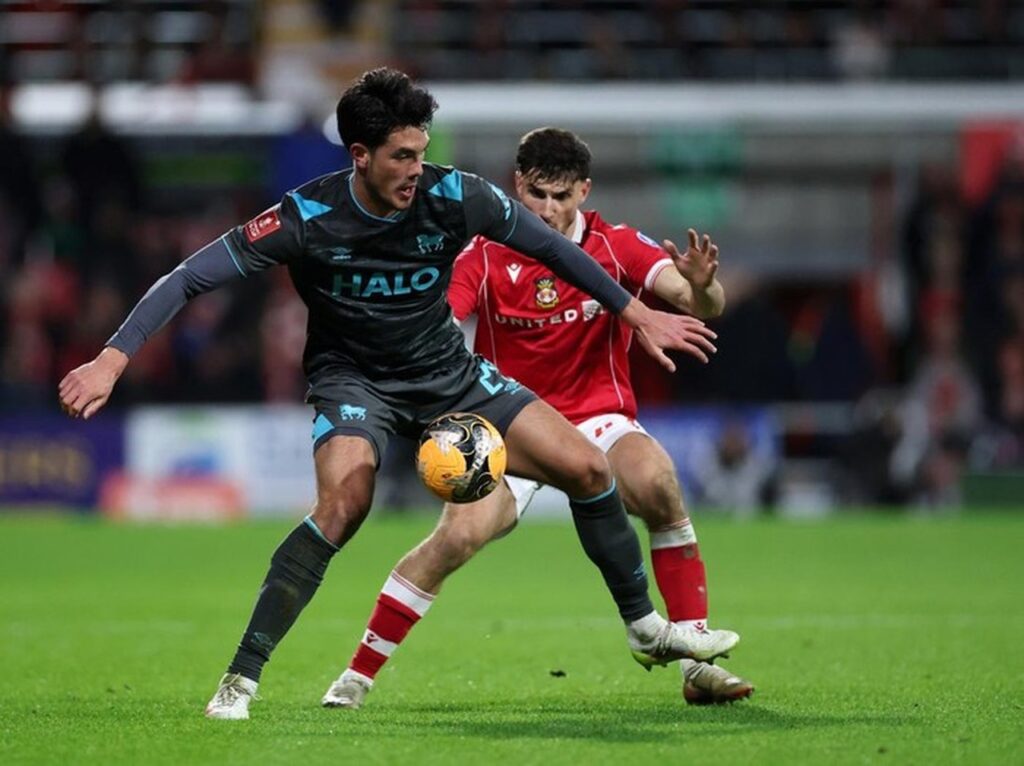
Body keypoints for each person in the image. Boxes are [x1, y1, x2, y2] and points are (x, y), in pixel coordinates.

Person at [57, 70, 739, 720]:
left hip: (447, 373)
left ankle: (644, 629)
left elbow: (556, 250)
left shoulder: (457, 195)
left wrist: (634, 312)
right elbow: (188, 276)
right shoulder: (307, 215)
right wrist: (113, 358)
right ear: (361, 155)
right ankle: (240, 678)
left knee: (588, 470)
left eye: (422, 151)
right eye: (402, 155)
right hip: (354, 380)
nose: (418, 168)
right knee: (344, 506)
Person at [323, 127, 753, 709]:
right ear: (517, 185)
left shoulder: (615, 245)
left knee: (658, 484)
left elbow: (697, 300)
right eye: (537, 195)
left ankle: (695, 664)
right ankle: (356, 675)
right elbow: (441, 321)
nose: (548, 210)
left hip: (598, 420)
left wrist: (704, 288)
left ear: (584, 192)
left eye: (562, 196)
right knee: (457, 537)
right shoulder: (484, 254)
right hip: (511, 427)